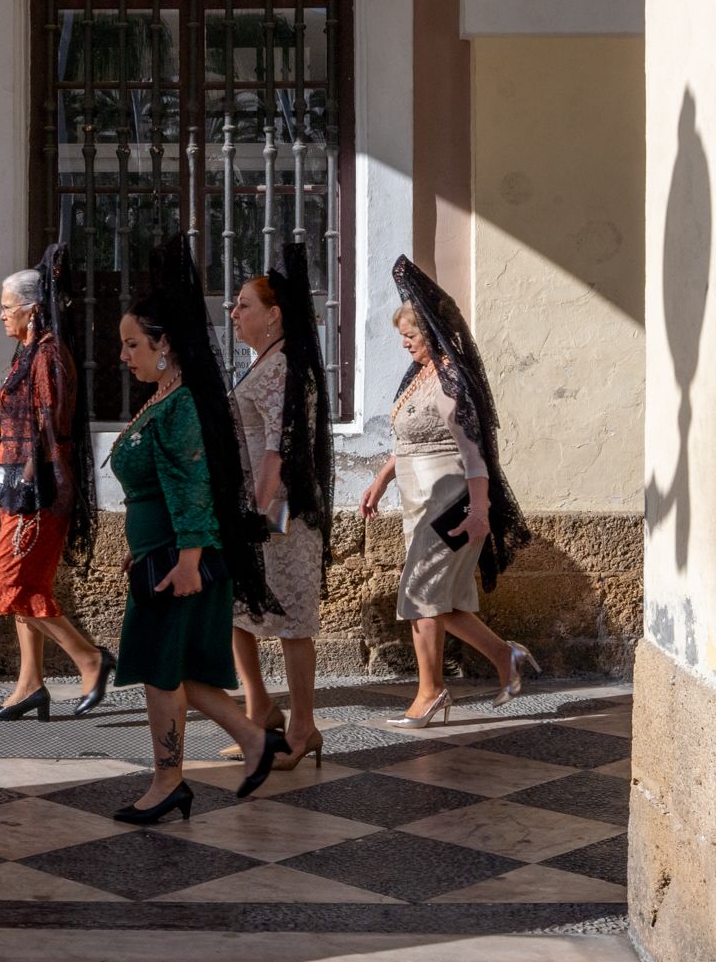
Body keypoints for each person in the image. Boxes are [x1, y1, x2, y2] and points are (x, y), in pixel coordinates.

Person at [108, 235, 289, 823]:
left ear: (165, 345)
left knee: (162, 676)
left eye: (133, 344)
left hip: (178, 560)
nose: (124, 355)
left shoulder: (181, 405)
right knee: (177, 671)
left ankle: (168, 782)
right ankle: (257, 738)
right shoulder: (162, 400)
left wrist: (186, 559)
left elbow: (190, 487)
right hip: (160, 555)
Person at [359, 256, 536, 726]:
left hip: (451, 505)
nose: (405, 345)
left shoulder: (450, 380)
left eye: (411, 337)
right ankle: (506, 657)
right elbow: (410, 441)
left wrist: (479, 512)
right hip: (419, 503)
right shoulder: (417, 376)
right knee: (445, 604)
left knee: (420, 597)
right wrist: (381, 479)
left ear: (432, 332)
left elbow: (475, 455)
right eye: (402, 337)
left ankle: (431, 692)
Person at [0, 246, 114, 720]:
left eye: (8, 306)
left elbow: (50, 430)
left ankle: (89, 658)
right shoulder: (27, 353)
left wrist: (33, 491)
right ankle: (30, 684)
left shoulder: (48, 355)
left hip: (38, 492)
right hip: (19, 486)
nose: (2, 314)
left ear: (31, 310)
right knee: (28, 585)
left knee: (13, 583)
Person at [225, 242, 333, 771]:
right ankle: (260, 707)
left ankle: (304, 726)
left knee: (291, 620)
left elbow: (277, 446)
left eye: (243, 304)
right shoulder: (261, 364)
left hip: (281, 515)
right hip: (255, 509)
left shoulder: (282, 367)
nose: (233, 313)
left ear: (273, 315)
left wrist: (259, 509)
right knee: (236, 609)